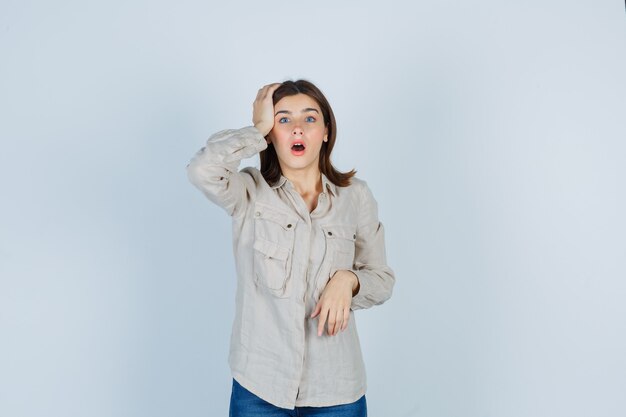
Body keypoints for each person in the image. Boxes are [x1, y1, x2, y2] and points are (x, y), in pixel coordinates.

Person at [186, 80, 395, 416]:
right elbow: (202, 170)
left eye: (310, 119)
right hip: (259, 387)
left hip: (336, 390)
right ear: (272, 135)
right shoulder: (249, 192)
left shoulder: (356, 196)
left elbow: (382, 279)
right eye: (283, 120)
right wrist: (257, 130)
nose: (297, 128)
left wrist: (348, 280)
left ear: (326, 131)